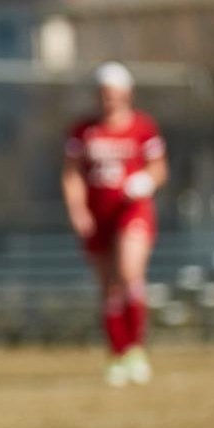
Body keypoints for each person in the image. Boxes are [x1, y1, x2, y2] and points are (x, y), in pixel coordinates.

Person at [61, 62, 167, 387]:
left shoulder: (142, 127)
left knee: (130, 273)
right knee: (108, 286)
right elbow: (72, 173)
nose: (110, 101)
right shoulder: (83, 131)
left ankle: (136, 348)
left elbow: (159, 168)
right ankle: (118, 353)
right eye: (104, 94)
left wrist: (144, 183)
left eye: (115, 94)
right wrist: (78, 210)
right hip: (99, 215)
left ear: (127, 94)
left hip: (131, 211)